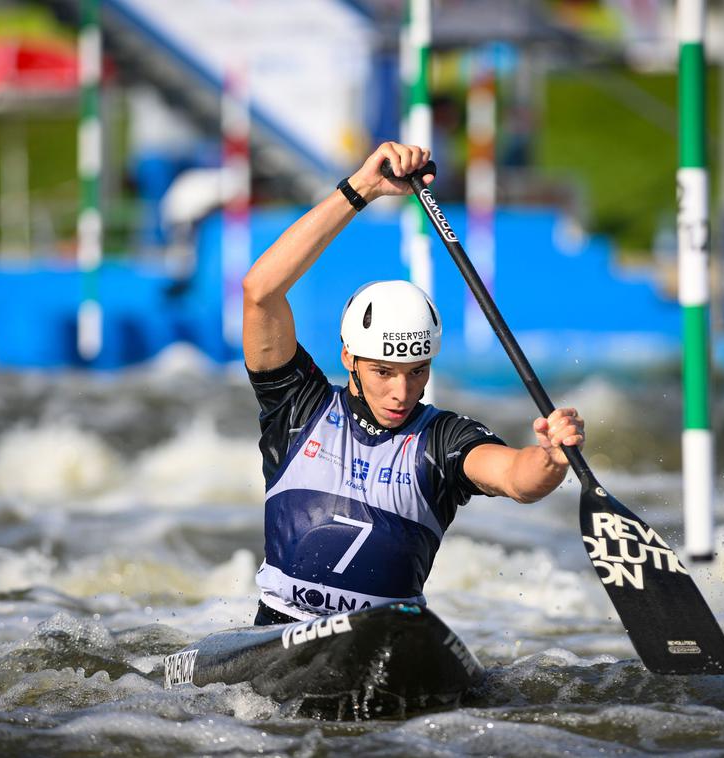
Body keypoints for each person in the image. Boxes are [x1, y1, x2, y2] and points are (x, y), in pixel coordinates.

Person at [241, 141, 586, 625]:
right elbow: (260, 292)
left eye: (416, 371)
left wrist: (550, 458)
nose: (402, 393)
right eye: (383, 371)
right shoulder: (296, 409)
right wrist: (362, 188)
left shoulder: (441, 439)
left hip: (390, 644)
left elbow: (516, 478)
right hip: (279, 632)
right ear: (349, 358)